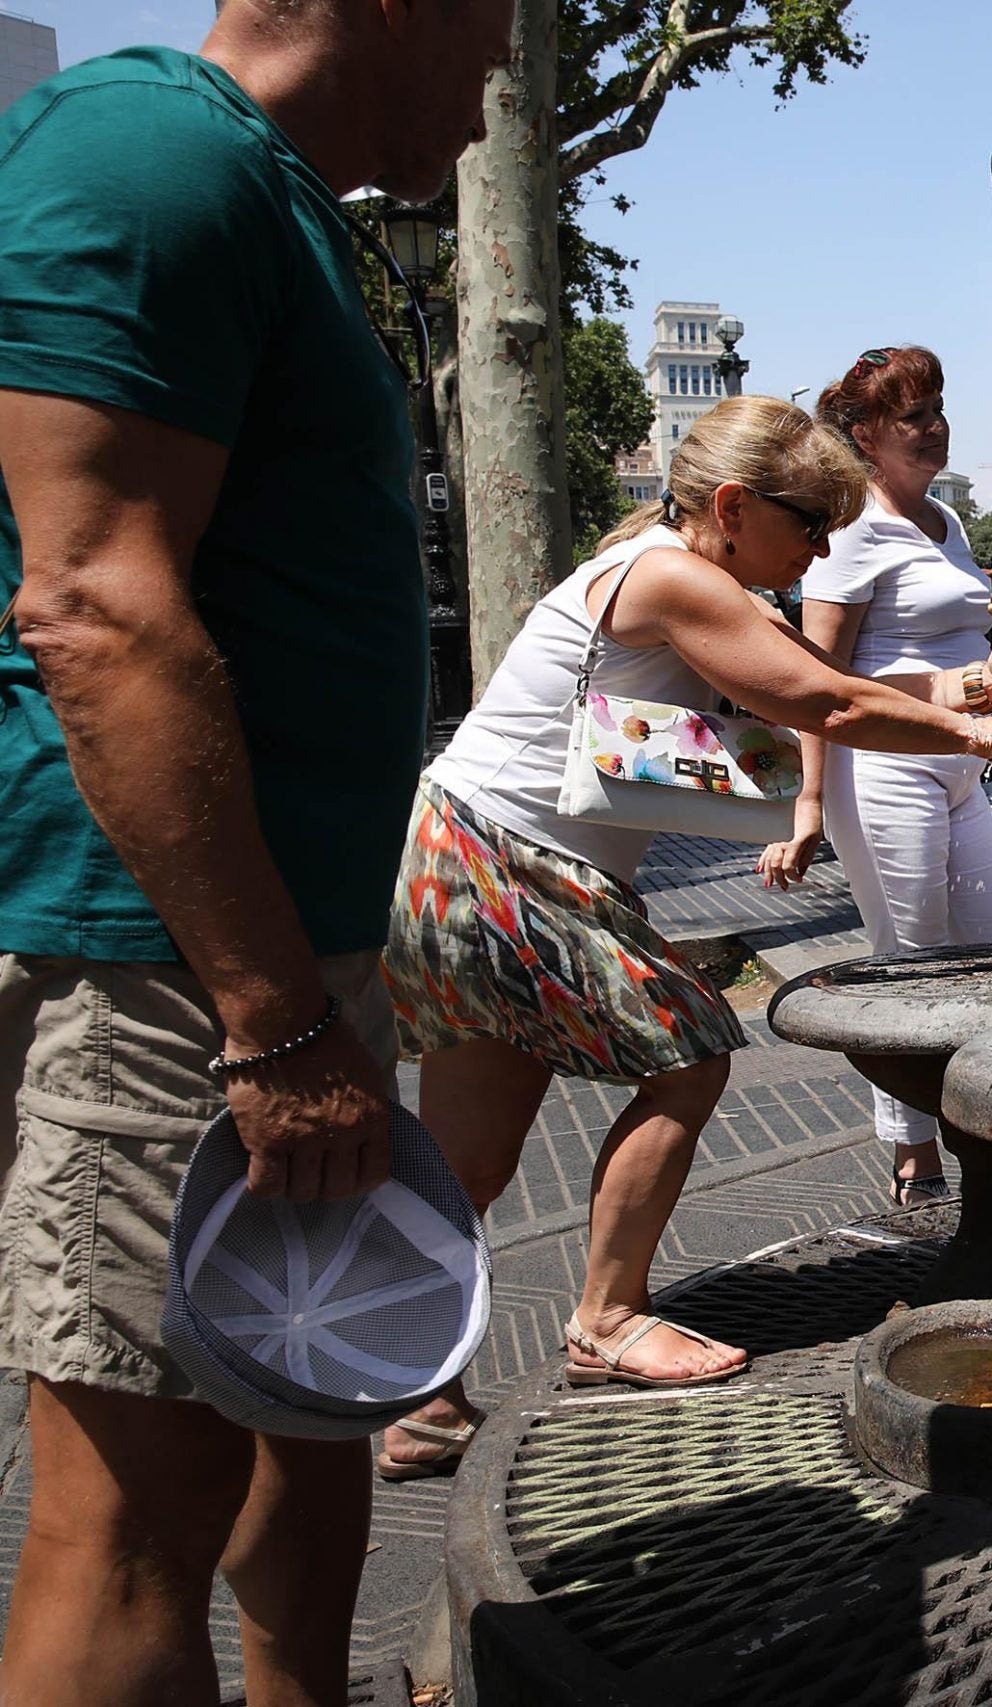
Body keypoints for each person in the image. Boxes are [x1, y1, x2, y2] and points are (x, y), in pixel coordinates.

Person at [0, 3, 515, 1700]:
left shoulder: (273, 196)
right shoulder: (144, 155)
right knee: (135, 1520)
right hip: (176, 967)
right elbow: (90, 606)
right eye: (500, 21)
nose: (502, 69)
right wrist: (270, 1015)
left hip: (273, 962)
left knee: (312, 1406)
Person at [374, 398, 992, 1479]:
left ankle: (419, 1396)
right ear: (733, 507)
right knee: (689, 1059)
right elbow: (823, 704)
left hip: (466, 848)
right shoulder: (673, 576)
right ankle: (604, 1319)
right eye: (810, 525)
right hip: (509, 862)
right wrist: (977, 727)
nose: (821, 550)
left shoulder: (685, 571)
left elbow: (844, 688)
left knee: (472, 1159)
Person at [764, 347, 992, 1203]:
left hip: (961, 761)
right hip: (882, 769)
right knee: (912, 967)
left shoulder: (948, 522)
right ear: (865, 434)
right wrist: (806, 805)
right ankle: (917, 1163)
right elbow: (818, 683)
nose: (935, 426)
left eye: (938, 408)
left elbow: (982, 661)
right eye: (914, 416)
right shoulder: (847, 532)